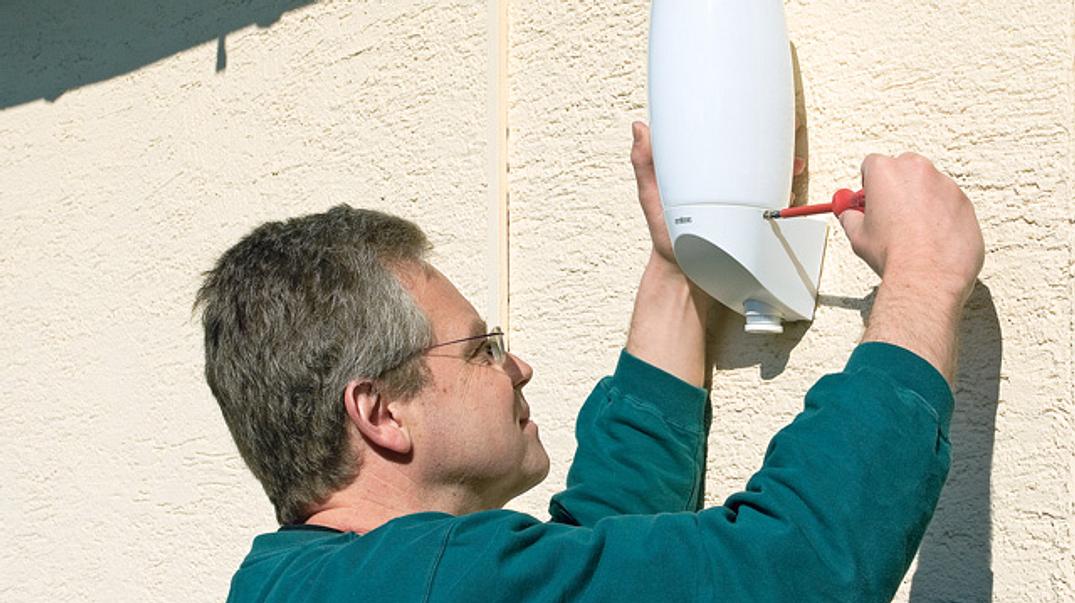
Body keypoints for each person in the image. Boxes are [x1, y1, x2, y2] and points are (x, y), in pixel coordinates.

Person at [196, 121, 984, 602]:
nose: (519, 367)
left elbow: (599, 558)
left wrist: (677, 270)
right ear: (380, 412)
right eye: (482, 350)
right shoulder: (420, 583)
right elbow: (790, 573)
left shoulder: (294, 582)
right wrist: (921, 274)